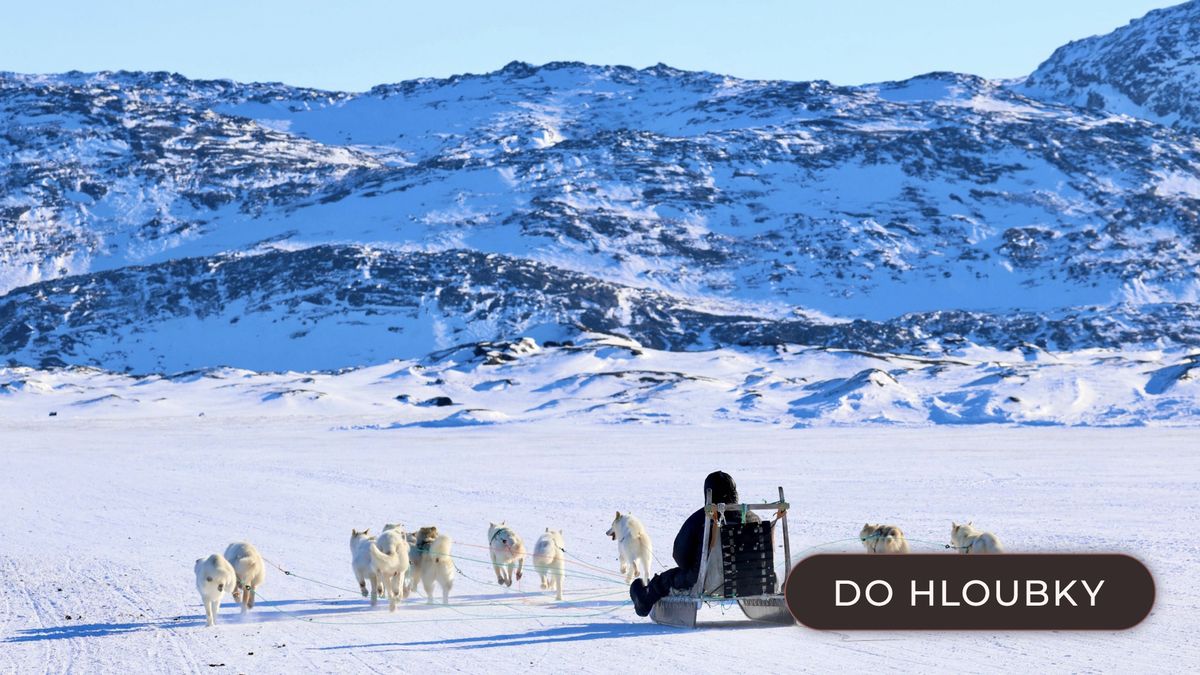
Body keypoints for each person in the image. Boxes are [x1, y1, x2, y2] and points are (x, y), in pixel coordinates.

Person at [629, 470, 740, 616]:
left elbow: (680, 555)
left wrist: (691, 568)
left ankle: (645, 599)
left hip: (705, 581)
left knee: (668, 579)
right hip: (747, 579)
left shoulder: (700, 518)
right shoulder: (751, 516)